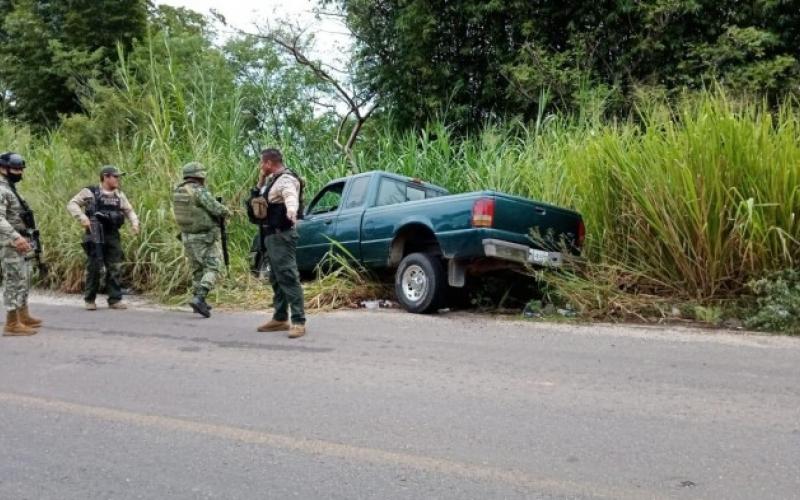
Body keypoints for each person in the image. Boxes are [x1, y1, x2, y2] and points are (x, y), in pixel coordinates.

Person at [66, 165, 139, 310]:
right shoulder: (91, 192)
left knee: (115, 266)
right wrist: (82, 218)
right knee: (94, 266)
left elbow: (129, 210)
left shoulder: (119, 195)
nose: (118, 179)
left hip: (112, 234)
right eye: (115, 176)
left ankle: (115, 299)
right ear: (106, 177)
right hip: (94, 232)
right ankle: (90, 299)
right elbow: (72, 204)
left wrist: (135, 223)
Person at [252, 148, 306, 338]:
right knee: (276, 278)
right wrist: (261, 178)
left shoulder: (286, 179)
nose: (261, 166)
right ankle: (280, 318)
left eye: (262, 163)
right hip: (271, 236)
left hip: (281, 235)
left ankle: (298, 321)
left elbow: (290, 195)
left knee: (288, 277)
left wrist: (292, 211)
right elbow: (258, 194)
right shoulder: (271, 180)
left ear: (268, 163)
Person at [172, 162, 229, 318]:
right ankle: (200, 297)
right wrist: (227, 210)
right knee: (213, 267)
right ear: (199, 176)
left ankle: (199, 301)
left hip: (187, 236)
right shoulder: (198, 191)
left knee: (197, 269)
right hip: (205, 237)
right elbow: (217, 209)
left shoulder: (178, 191)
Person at [0, 152, 41, 336]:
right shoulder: (1, 189)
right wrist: (16, 237)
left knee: (24, 278)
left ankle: (22, 315)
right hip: (10, 242)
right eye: (15, 169)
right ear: (3, 168)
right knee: (13, 280)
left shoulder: (9, 187)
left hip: (21, 240)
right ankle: (11, 323)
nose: (19, 172)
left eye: (20, 169)